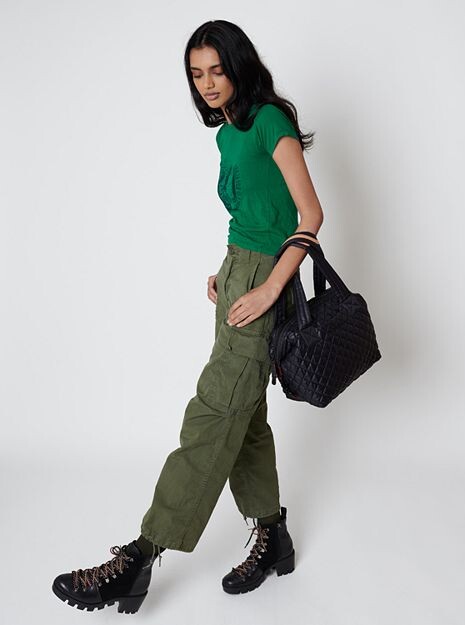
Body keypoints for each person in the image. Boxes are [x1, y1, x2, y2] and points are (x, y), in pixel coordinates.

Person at [52, 19, 323, 613]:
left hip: (265, 284)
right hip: (237, 277)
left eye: (217, 71)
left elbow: (310, 215)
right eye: (197, 74)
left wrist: (267, 288)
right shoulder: (227, 132)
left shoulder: (269, 122)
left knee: (211, 416)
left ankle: (139, 557)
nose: (207, 83)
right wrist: (229, 273)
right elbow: (252, 215)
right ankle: (273, 537)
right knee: (244, 416)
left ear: (239, 67)